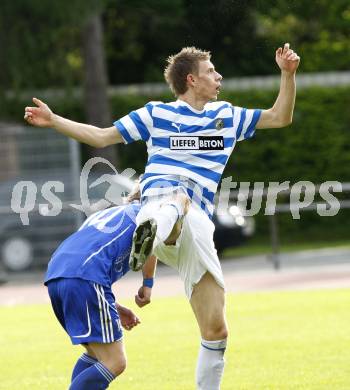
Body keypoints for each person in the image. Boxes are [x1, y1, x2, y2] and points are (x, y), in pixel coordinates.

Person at [25, 43, 300, 389]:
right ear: (191, 80)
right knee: (171, 199)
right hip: (159, 202)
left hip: (194, 223)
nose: (219, 76)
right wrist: (54, 121)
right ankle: (154, 229)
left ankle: (152, 235)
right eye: (211, 71)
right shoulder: (155, 113)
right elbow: (100, 135)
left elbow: (280, 117)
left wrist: (287, 75)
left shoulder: (228, 116)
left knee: (216, 330)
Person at [44, 201, 158, 389]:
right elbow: (153, 240)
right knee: (115, 361)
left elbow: (85, 254)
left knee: (96, 354)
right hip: (84, 277)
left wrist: (116, 307)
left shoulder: (104, 216)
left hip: (57, 274)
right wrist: (147, 284)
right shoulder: (147, 213)